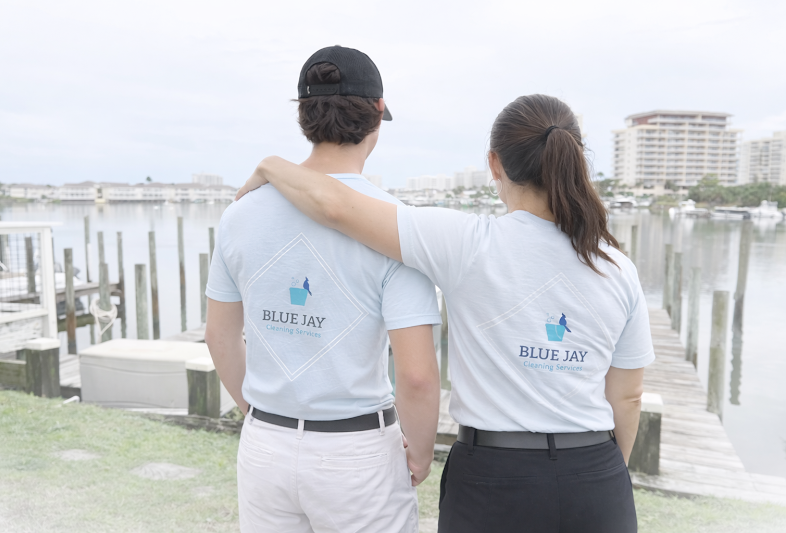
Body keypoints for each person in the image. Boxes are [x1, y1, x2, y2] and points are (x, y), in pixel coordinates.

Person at [235, 94, 655, 533]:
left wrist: (271, 166)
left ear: (494, 164)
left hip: (492, 477)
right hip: (596, 476)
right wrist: (603, 474)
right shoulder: (616, 267)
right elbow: (628, 396)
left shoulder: (465, 244)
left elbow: (335, 206)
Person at [204, 45, 442, 533]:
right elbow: (416, 376)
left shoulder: (240, 214)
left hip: (264, 446)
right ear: (378, 112)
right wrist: (419, 453)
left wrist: (260, 415)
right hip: (357, 452)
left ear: (303, 115)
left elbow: (219, 335)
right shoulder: (395, 226)